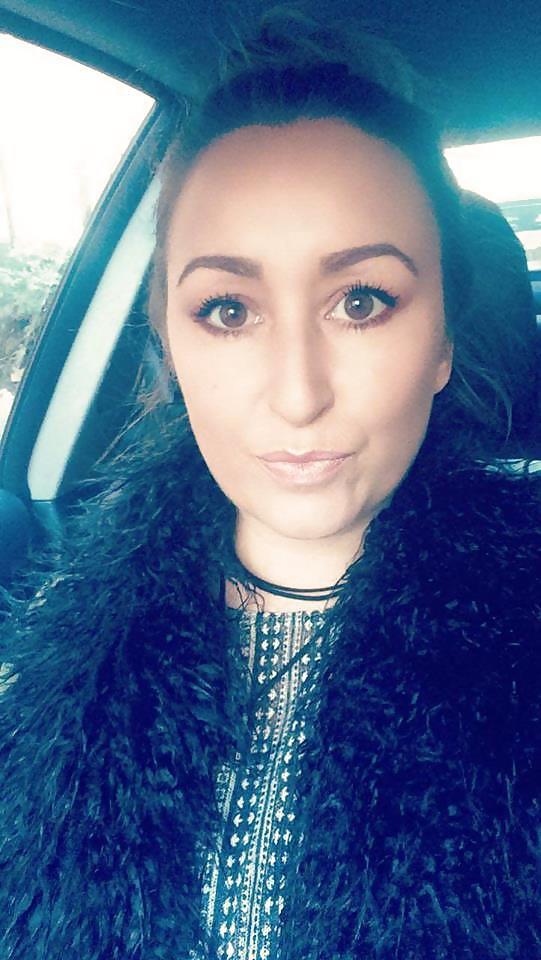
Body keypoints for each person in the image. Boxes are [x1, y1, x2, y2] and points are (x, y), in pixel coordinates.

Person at [1, 6, 541, 959]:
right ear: (170, 346)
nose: (298, 395)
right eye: (227, 310)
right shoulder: (49, 667)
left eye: (361, 301)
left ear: (443, 342)